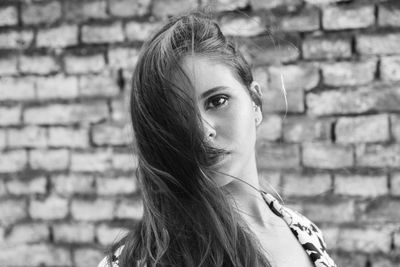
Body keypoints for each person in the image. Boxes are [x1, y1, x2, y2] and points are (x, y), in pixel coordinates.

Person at [98, 9, 337, 267]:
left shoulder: (304, 230)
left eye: (217, 101)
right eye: (178, 115)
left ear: (255, 102)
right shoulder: (140, 260)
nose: (202, 130)